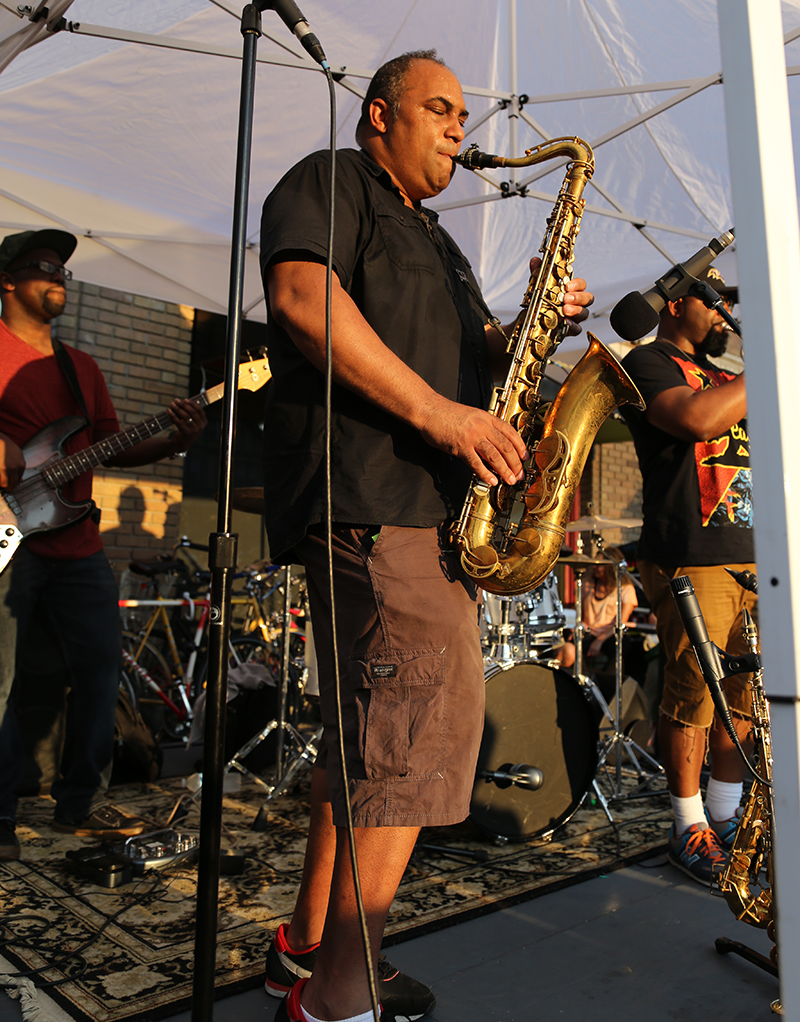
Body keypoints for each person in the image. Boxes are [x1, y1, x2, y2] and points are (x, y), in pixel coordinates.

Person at [259, 50, 593, 1022]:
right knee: (416, 745)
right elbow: (301, 299)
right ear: (378, 116)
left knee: (367, 748)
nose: (457, 126)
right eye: (438, 109)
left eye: (460, 113)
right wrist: (444, 419)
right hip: (376, 499)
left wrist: (533, 319)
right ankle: (335, 1000)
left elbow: (477, 366)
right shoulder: (333, 182)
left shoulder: (433, 239)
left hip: (417, 510)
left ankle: (310, 948)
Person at [0, 228, 207, 860]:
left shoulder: (79, 368)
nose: (60, 277)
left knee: (99, 669)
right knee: (5, 679)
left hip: (78, 540)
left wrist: (176, 438)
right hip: (12, 540)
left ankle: (77, 801)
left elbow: (113, 444)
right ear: (7, 280)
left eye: (66, 270)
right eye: (44, 267)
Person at [621, 268, 754, 886]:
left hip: (757, 551)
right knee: (693, 692)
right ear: (677, 301)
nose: (721, 309)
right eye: (713, 297)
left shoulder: (731, 373)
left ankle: (725, 814)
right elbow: (698, 421)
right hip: (691, 550)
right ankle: (687, 824)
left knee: (745, 692)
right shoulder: (649, 362)